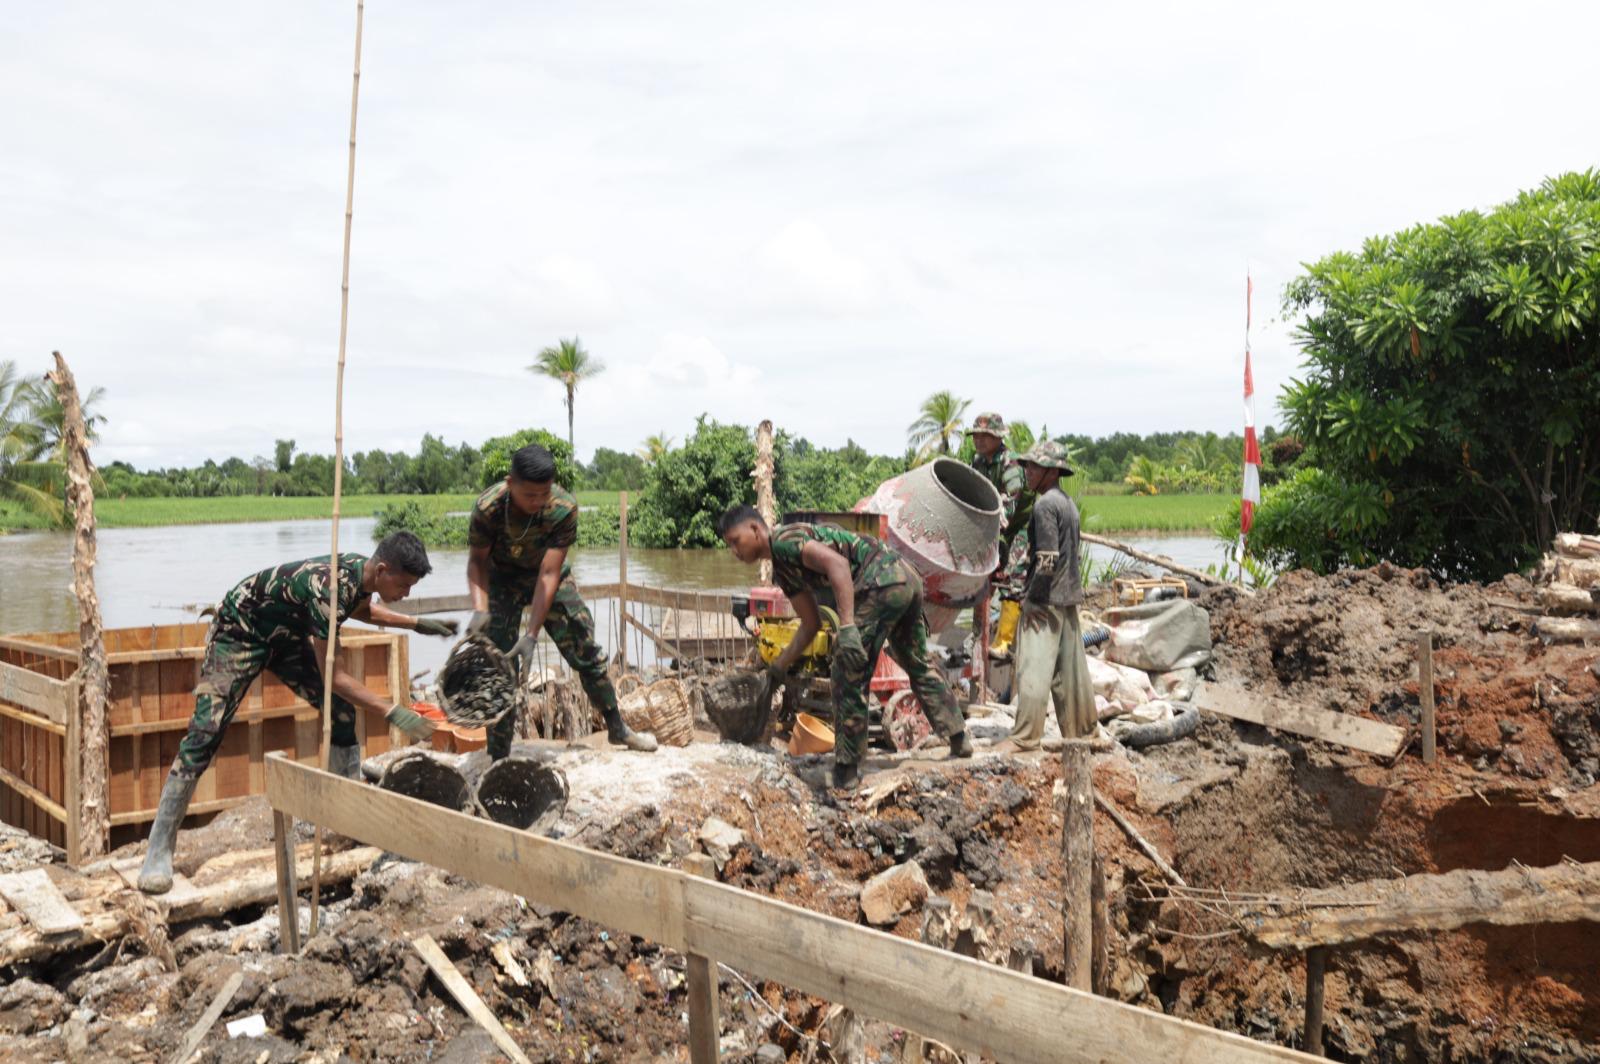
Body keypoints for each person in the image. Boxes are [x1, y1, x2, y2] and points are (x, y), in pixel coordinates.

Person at [138, 531, 454, 894]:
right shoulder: (328, 590)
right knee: (205, 733)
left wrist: (416, 624)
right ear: (382, 570)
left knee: (341, 714)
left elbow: (362, 609)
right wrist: (392, 710)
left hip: (285, 636)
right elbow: (333, 676)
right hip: (240, 632)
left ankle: (347, 810)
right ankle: (158, 849)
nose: (407, 595)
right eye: (404, 585)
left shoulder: (359, 573)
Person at [717, 506, 972, 789]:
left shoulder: (784, 540)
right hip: (904, 578)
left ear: (754, 529)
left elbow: (837, 565)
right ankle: (959, 737)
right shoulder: (784, 570)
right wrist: (778, 667)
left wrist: (848, 626)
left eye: (735, 541)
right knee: (914, 662)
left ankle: (846, 770)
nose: (734, 551)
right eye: (729, 546)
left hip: (883, 579)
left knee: (846, 666)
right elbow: (810, 624)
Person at [465, 443, 656, 758]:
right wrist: (480, 608)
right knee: (498, 663)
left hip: (546, 574)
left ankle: (617, 728)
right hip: (502, 579)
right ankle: (498, 753)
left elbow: (549, 574)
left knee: (584, 644)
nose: (538, 502)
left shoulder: (563, 507)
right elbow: (476, 563)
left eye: (544, 493)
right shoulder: (489, 508)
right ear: (511, 483)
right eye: (530, 496)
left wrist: (531, 635)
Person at [995, 440, 1095, 751]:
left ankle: (1026, 738)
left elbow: (1048, 558)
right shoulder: (1067, 503)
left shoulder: (1044, 505)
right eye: (1026, 465)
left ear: (1052, 472)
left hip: (1046, 602)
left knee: (1033, 671)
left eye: (1034, 467)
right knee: (1071, 677)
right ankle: (1083, 735)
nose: (1027, 472)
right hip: (1067, 600)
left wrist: (1033, 598)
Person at [965, 412, 1033, 661]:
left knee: (1014, 575)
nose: (980, 441)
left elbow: (1011, 503)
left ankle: (1004, 641)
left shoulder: (1010, 463)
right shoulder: (978, 461)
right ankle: (977, 634)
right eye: (977, 436)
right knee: (982, 577)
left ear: (998, 438)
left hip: (1019, 527)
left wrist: (989, 528)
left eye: (986, 436)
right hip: (990, 526)